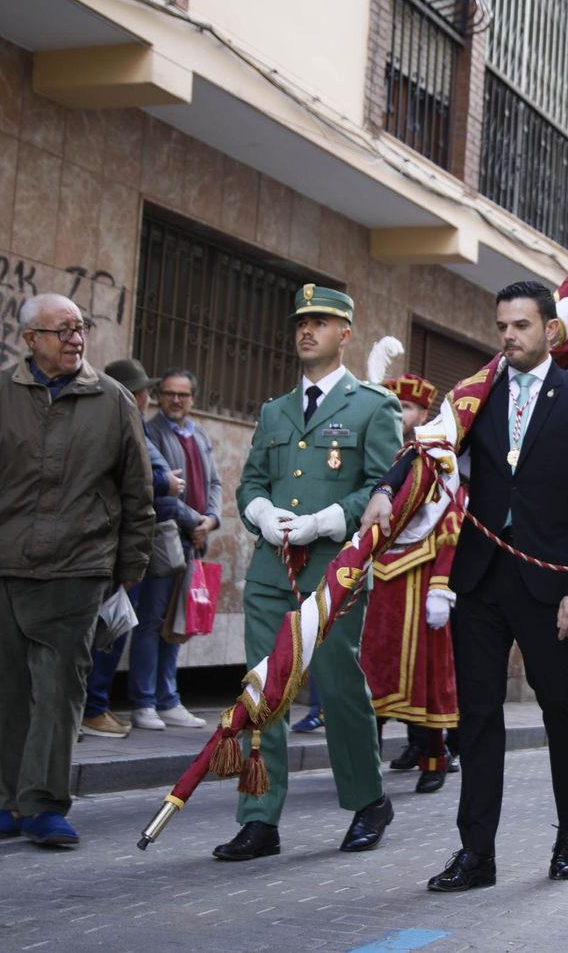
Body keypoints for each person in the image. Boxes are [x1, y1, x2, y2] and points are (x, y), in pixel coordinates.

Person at [363, 280, 568, 892]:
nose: (508, 336)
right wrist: (381, 492)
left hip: (549, 585)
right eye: (502, 325)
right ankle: (476, 854)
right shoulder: (475, 397)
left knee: (559, 708)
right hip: (478, 577)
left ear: (550, 330)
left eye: (521, 325)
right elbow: (425, 448)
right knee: (477, 716)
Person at [0, 294, 153, 846]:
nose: (75, 338)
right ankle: (14, 803)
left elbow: (139, 491)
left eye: (81, 327)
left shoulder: (114, 401)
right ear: (30, 339)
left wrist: (132, 563)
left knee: (59, 687)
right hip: (6, 565)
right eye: (62, 329)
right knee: (9, 689)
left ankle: (45, 805)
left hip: (79, 567)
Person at [212, 284, 403, 863]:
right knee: (264, 689)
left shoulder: (373, 405)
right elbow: (251, 483)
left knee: (339, 689)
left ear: (345, 334)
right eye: (301, 321)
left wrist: (327, 520)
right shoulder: (275, 410)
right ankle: (259, 818)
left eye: (320, 322)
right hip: (274, 571)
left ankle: (368, 801)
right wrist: (262, 514)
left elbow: (381, 486)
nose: (306, 330)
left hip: (333, 573)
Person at [361, 371, 462, 794]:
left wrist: (440, 584)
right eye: (395, 406)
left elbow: (450, 522)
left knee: (424, 671)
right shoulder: (385, 452)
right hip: (380, 577)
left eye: (407, 408)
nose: (400, 414)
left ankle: (433, 754)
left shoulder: (439, 459)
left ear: (424, 414)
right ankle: (366, 760)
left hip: (420, 579)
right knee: (374, 668)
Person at [82, 358, 190, 739]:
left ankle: (92, 706)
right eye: (145, 390)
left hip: (126, 542)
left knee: (114, 625)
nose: (149, 396)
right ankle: (92, 707)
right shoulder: (121, 423)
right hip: (114, 543)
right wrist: (166, 483)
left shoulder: (129, 421)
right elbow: (139, 474)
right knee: (110, 628)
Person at [133, 367, 218, 731]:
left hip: (194, 542)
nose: (176, 400)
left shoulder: (199, 435)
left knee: (177, 623)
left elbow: (214, 482)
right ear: (158, 396)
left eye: (183, 394)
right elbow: (157, 489)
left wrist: (210, 521)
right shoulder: (150, 431)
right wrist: (193, 519)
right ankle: (143, 702)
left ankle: (169, 699)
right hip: (163, 539)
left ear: (193, 399)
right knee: (151, 622)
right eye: (169, 393)